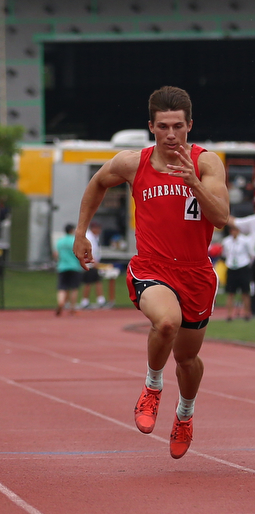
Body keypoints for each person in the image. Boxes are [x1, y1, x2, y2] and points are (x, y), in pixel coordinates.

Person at [73, 86, 229, 459]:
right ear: (151, 127)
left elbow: (221, 218)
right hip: (151, 267)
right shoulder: (133, 163)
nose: (171, 134)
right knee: (166, 323)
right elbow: (98, 183)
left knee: (187, 360)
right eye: (163, 126)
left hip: (195, 274)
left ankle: (185, 414)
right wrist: (81, 232)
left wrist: (193, 183)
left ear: (190, 125)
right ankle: (152, 386)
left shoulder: (207, 164)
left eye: (178, 126)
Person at [221, 225, 254, 321]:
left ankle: (247, 313)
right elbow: (225, 254)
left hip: (243, 266)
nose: (233, 232)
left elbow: (251, 254)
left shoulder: (245, 241)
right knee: (230, 292)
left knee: (245, 292)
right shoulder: (226, 241)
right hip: (231, 267)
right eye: (232, 230)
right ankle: (229, 314)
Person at [53, 223, 82, 316]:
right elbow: (79, 254)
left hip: (62, 266)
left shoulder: (60, 241)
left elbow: (56, 254)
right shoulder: (75, 240)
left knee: (62, 287)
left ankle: (61, 302)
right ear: (72, 230)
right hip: (74, 266)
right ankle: (72, 308)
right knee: (74, 288)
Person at [78, 221, 106, 309]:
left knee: (98, 281)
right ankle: (84, 301)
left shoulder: (95, 237)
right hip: (89, 264)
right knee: (88, 282)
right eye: (98, 228)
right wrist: (93, 261)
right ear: (93, 229)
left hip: (94, 263)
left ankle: (101, 300)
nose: (99, 230)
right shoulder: (89, 237)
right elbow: (89, 250)